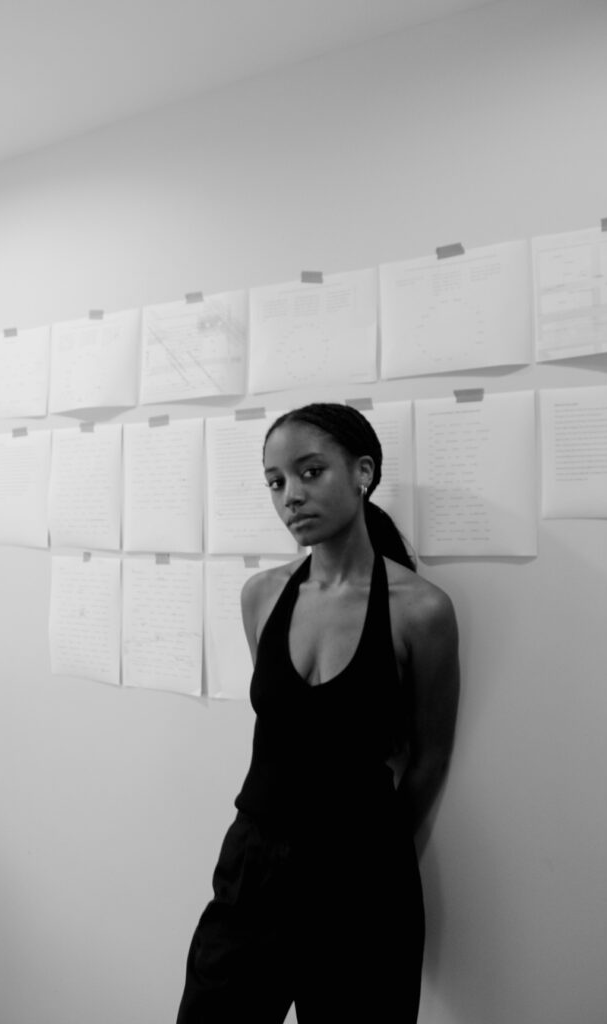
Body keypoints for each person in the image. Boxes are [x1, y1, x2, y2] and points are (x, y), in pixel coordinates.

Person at [177, 402, 459, 1024]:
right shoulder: (262, 595)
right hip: (253, 867)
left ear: (363, 472)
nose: (291, 498)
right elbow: (286, 727)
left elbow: (430, 752)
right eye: (276, 482)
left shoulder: (421, 610)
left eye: (310, 473)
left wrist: (372, 849)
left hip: (363, 877)